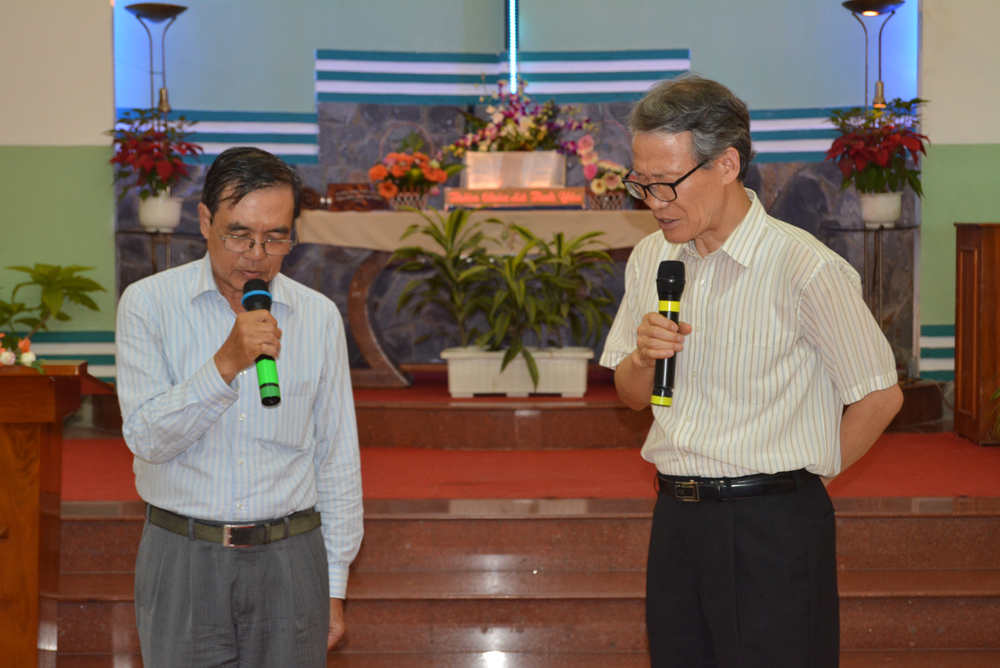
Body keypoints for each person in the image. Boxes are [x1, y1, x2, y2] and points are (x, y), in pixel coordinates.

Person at [601, 75, 903, 668]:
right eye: (641, 184)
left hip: (773, 527)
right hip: (676, 517)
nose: (654, 203)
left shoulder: (804, 268)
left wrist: (802, 483)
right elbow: (631, 397)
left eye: (667, 183)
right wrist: (641, 359)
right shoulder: (651, 257)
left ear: (727, 164)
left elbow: (879, 396)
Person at [116, 146, 363, 667]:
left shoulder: (317, 317)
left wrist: (335, 584)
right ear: (205, 220)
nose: (256, 254)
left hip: (291, 560)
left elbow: (337, 457)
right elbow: (145, 438)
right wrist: (224, 365)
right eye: (239, 234)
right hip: (183, 555)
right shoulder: (148, 304)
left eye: (276, 237)